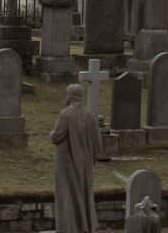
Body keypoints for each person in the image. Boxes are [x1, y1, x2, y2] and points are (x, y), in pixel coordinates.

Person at [50, 84, 102, 233]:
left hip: (67, 163)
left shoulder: (66, 114)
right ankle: (86, 226)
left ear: (71, 96)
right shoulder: (89, 115)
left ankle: (70, 227)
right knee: (84, 193)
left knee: (68, 194)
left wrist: (51, 134)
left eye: (67, 94)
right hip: (85, 162)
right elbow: (97, 142)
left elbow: (56, 137)